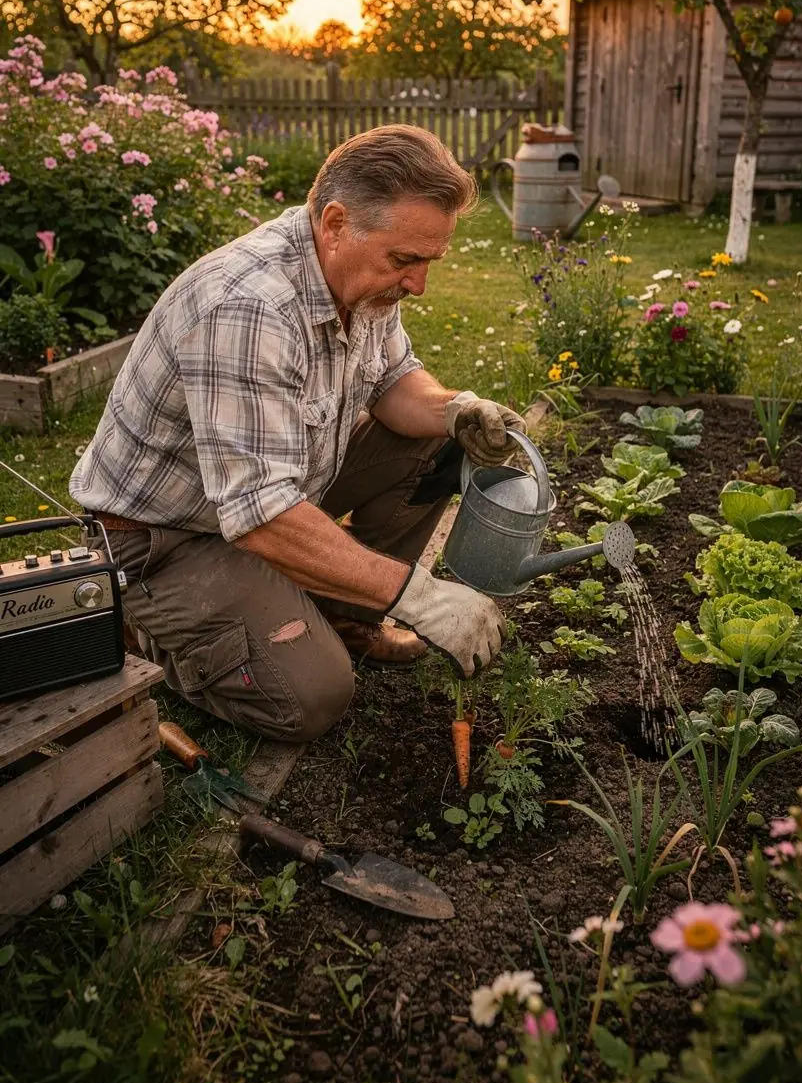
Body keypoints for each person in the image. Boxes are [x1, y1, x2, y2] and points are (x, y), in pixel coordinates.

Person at [70, 125, 526, 743]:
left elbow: (394, 381)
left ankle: (344, 615)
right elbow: (260, 515)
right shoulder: (250, 306)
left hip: (271, 492)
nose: (418, 285)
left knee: (443, 444)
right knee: (311, 699)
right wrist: (419, 597)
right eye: (405, 260)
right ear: (336, 223)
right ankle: (148, 629)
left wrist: (456, 409)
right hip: (166, 538)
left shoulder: (357, 276)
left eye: (429, 261)